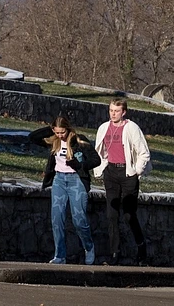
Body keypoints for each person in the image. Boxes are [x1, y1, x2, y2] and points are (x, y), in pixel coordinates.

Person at [28, 115, 100, 265]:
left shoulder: (79, 140)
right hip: (59, 180)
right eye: (57, 132)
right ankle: (59, 255)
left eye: (63, 132)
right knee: (57, 218)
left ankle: (89, 246)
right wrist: (51, 129)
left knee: (79, 219)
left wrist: (80, 165)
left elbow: (96, 159)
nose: (60, 135)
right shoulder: (53, 141)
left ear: (68, 129)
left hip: (76, 181)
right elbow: (33, 137)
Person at [93, 97, 150, 264]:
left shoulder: (131, 127)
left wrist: (136, 171)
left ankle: (141, 247)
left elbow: (144, 152)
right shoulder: (104, 128)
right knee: (111, 215)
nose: (113, 114)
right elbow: (100, 150)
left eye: (116, 111)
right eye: (111, 110)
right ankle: (114, 253)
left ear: (123, 112)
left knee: (128, 215)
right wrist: (101, 167)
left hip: (127, 173)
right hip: (111, 172)